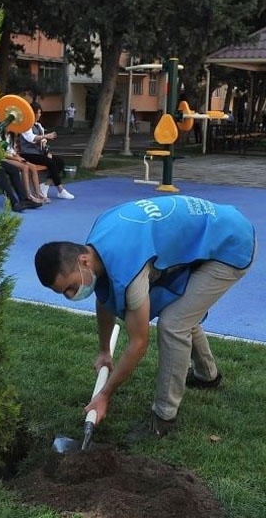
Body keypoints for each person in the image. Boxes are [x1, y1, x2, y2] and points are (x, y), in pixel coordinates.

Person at [34, 195, 256, 438]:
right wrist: (104, 352)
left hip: (231, 245)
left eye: (70, 287)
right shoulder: (97, 243)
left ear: (83, 261)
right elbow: (105, 297)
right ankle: (207, 376)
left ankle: (163, 417)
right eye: (63, 293)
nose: (70, 295)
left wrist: (104, 395)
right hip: (215, 228)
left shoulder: (129, 269)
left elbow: (138, 344)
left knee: (174, 323)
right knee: (180, 310)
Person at [18, 108, 74, 200]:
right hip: (27, 154)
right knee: (50, 162)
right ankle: (60, 190)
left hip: (38, 153)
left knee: (60, 162)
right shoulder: (26, 126)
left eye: (40, 113)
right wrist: (46, 136)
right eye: (38, 112)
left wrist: (45, 148)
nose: (40, 115)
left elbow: (42, 140)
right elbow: (31, 138)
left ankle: (45, 186)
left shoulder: (39, 125)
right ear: (33, 113)